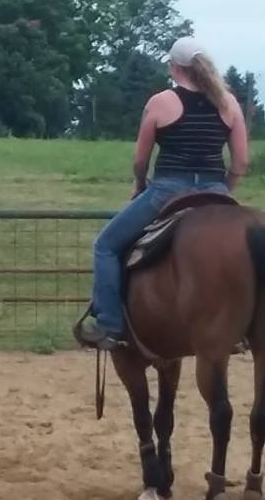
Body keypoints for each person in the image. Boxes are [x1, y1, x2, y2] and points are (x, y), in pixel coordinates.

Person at [74, 36, 249, 350]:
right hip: (216, 189)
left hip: (169, 188)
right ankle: (243, 327)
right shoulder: (229, 103)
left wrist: (140, 185)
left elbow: (141, 159)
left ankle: (110, 324)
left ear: (174, 67)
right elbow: (241, 162)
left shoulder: (161, 102)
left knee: (106, 245)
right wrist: (224, 190)